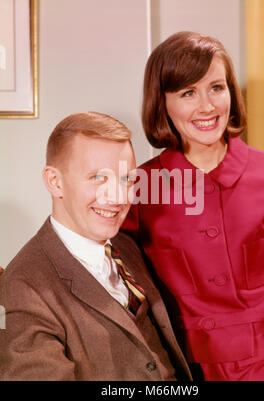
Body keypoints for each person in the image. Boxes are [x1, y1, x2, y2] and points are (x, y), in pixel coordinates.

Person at [122, 31, 264, 381]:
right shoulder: (141, 187)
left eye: (217, 88)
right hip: (189, 364)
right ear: (163, 103)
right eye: (188, 93)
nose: (207, 106)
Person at [0, 112, 191, 381]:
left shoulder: (125, 246)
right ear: (55, 182)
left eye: (126, 179)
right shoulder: (23, 285)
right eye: (98, 178)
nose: (117, 197)